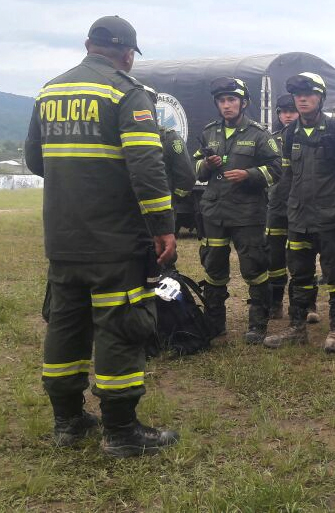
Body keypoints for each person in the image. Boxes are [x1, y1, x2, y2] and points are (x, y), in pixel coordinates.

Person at [24, 15, 179, 457]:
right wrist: (163, 226)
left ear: (87, 44)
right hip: (114, 242)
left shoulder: (49, 91)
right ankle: (122, 431)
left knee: (66, 324)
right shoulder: (127, 93)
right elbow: (147, 166)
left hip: (63, 238)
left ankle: (68, 421)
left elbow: (37, 159)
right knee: (121, 326)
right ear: (128, 54)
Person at [263, 73, 335, 352]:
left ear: (320, 98)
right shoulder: (290, 133)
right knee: (300, 274)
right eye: (297, 95)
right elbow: (287, 176)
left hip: (331, 219)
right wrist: (280, 210)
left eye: (308, 94)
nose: (302, 99)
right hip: (298, 218)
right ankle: (296, 328)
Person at [193, 77, 282, 344]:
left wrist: (249, 174)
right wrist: (208, 165)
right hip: (214, 212)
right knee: (213, 268)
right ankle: (215, 325)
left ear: (243, 103)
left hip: (248, 213)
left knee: (254, 268)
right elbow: (196, 169)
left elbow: (277, 169)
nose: (227, 105)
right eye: (222, 101)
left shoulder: (259, 134)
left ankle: (257, 325)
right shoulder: (209, 132)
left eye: (232, 100)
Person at [267, 93, 299, 320]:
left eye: (292, 111)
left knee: (301, 258)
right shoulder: (270, 140)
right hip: (276, 206)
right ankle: (275, 303)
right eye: (283, 112)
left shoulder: (308, 138)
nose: (288, 115)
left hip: (301, 207)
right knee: (275, 258)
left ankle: (306, 307)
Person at [143, 86, 195, 202]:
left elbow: (186, 178)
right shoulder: (169, 138)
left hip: (155, 209)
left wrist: (174, 199)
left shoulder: (170, 138)